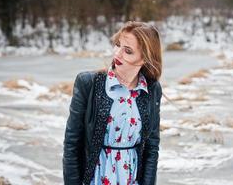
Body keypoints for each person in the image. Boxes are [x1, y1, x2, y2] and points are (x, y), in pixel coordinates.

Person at [63, 21, 163, 185]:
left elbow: (151, 148)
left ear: (144, 59)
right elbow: (72, 144)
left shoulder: (151, 89)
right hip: (95, 178)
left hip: (131, 179)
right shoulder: (88, 83)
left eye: (128, 51)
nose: (118, 53)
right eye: (118, 45)